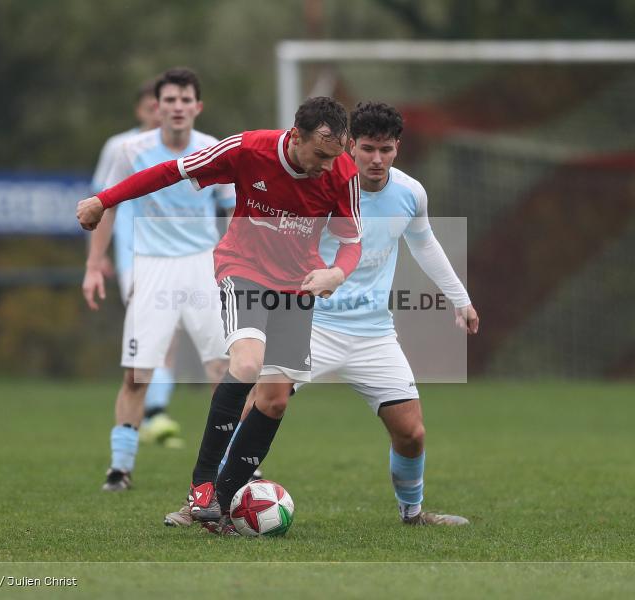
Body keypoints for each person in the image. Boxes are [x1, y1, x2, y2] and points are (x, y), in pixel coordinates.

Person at [78, 96, 362, 533]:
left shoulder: (342, 171)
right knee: (245, 364)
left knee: (275, 399)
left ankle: (218, 507)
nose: (327, 165)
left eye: (335, 156)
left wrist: (336, 274)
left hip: (299, 284)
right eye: (320, 155)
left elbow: (351, 239)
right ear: (296, 135)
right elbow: (171, 172)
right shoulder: (248, 150)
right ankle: (201, 487)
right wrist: (104, 199)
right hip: (243, 270)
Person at [299, 101, 478, 525]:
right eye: (366, 149)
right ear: (349, 147)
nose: (376, 159)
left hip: (373, 333)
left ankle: (412, 514)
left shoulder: (410, 193)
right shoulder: (323, 186)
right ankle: (212, 500)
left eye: (386, 149)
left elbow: (424, 244)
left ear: (397, 147)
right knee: (260, 406)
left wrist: (460, 298)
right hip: (311, 324)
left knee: (411, 433)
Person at [82, 67, 233, 492]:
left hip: (204, 266)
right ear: (157, 107)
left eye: (186, 100)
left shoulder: (214, 149)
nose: (178, 107)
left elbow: (234, 208)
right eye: (170, 100)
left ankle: (236, 464)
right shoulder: (130, 150)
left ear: (197, 107)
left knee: (224, 370)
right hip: (151, 266)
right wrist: (95, 265)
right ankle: (120, 468)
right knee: (137, 374)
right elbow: (106, 206)